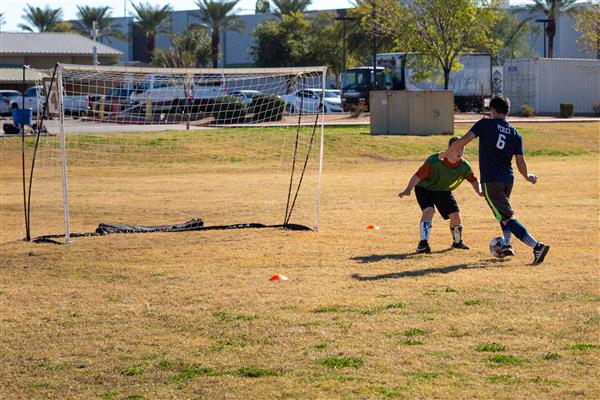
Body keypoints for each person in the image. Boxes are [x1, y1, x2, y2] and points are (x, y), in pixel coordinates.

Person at [440, 95, 550, 265]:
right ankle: (506, 245)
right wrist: (527, 176)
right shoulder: (515, 133)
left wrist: (447, 153)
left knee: (506, 217)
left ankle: (536, 246)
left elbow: (463, 141)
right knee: (502, 213)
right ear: (507, 111)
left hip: (491, 181)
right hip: (508, 180)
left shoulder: (485, 124)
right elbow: (520, 161)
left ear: (492, 110)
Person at [399, 136, 483, 254]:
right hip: (424, 188)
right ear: (449, 149)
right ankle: (423, 244)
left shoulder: (464, 166)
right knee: (429, 211)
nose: (461, 151)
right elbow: (418, 175)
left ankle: (457, 242)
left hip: (443, 191)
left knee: (455, 216)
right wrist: (408, 189)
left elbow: (473, 180)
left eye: (463, 149)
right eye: (458, 148)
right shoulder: (435, 160)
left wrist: (480, 191)